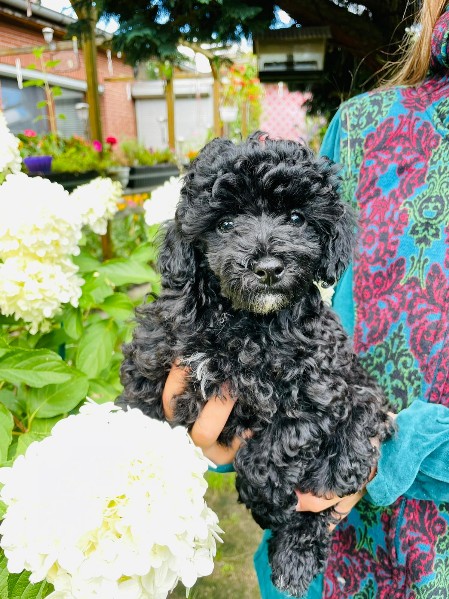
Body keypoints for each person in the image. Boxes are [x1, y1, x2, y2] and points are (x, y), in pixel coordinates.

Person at [162, 1, 449, 596]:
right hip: (322, 544)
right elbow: (314, 319)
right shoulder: (363, 125)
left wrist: (381, 445)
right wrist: (231, 420)